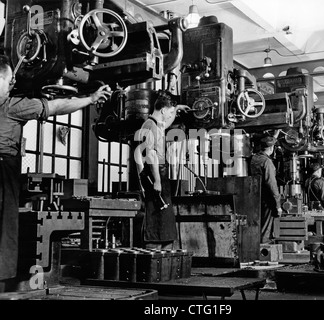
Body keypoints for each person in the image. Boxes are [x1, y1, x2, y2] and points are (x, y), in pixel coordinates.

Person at [0, 54, 112, 283]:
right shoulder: (12, 107)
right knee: (5, 226)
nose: (13, 84)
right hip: (3, 171)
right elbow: (58, 105)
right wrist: (90, 98)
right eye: (10, 80)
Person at [134, 91, 190, 250]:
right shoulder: (150, 126)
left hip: (160, 173)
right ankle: (154, 254)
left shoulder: (156, 124)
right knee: (156, 219)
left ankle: (164, 256)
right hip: (155, 174)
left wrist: (177, 108)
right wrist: (157, 180)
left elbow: (166, 123)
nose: (170, 115)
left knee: (165, 224)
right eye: (170, 112)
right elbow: (150, 155)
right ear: (163, 110)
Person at [248, 134, 282, 244]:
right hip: (267, 199)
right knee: (266, 228)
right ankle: (263, 249)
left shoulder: (254, 159)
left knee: (258, 224)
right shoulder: (267, 162)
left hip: (254, 196)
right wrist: (277, 204)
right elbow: (271, 183)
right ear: (272, 148)